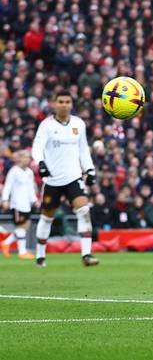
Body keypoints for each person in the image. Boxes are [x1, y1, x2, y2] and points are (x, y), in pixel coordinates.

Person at [32, 91, 99, 267]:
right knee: (47, 218)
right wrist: (41, 163)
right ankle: (40, 257)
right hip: (52, 180)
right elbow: (37, 147)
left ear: (71, 104)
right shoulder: (46, 125)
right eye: (60, 101)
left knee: (84, 210)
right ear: (54, 104)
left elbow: (83, 149)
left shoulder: (78, 124)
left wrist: (90, 169)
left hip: (73, 177)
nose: (64, 104)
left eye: (67, 101)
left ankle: (86, 255)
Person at [1, 150, 37, 259]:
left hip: (27, 204)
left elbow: (31, 188)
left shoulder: (29, 172)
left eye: (29, 157)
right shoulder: (14, 171)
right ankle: (22, 252)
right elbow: (8, 186)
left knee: (25, 226)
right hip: (17, 203)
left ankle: (6, 243)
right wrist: (5, 199)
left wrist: (34, 200)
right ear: (20, 158)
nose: (27, 159)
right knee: (20, 227)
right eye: (25, 157)